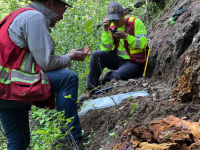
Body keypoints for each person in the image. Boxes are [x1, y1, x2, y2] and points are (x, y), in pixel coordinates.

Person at [0, 0, 90, 149]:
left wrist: (68, 56)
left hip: (5, 89)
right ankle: (71, 139)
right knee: (68, 78)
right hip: (12, 85)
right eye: (63, 9)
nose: (61, 17)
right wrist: (71, 57)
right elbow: (46, 64)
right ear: (49, 3)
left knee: (18, 141)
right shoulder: (34, 17)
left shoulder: (16, 16)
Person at [80, 1, 148, 101]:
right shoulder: (111, 28)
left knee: (114, 76)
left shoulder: (135, 22)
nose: (114, 22)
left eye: (116, 19)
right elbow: (106, 48)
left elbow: (143, 44)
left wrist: (126, 37)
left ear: (123, 14)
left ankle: (106, 78)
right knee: (96, 54)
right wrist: (105, 31)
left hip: (133, 61)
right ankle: (90, 88)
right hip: (117, 60)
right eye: (112, 20)